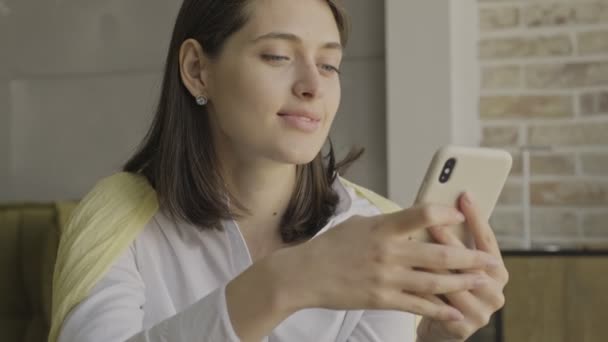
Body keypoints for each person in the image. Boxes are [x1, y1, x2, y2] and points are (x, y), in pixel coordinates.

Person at [50, 0, 508, 341]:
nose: (312, 86)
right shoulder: (117, 219)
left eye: (329, 65)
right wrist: (289, 280)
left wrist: (433, 337)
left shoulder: (373, 230)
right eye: (277, 56)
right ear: (196, 70)